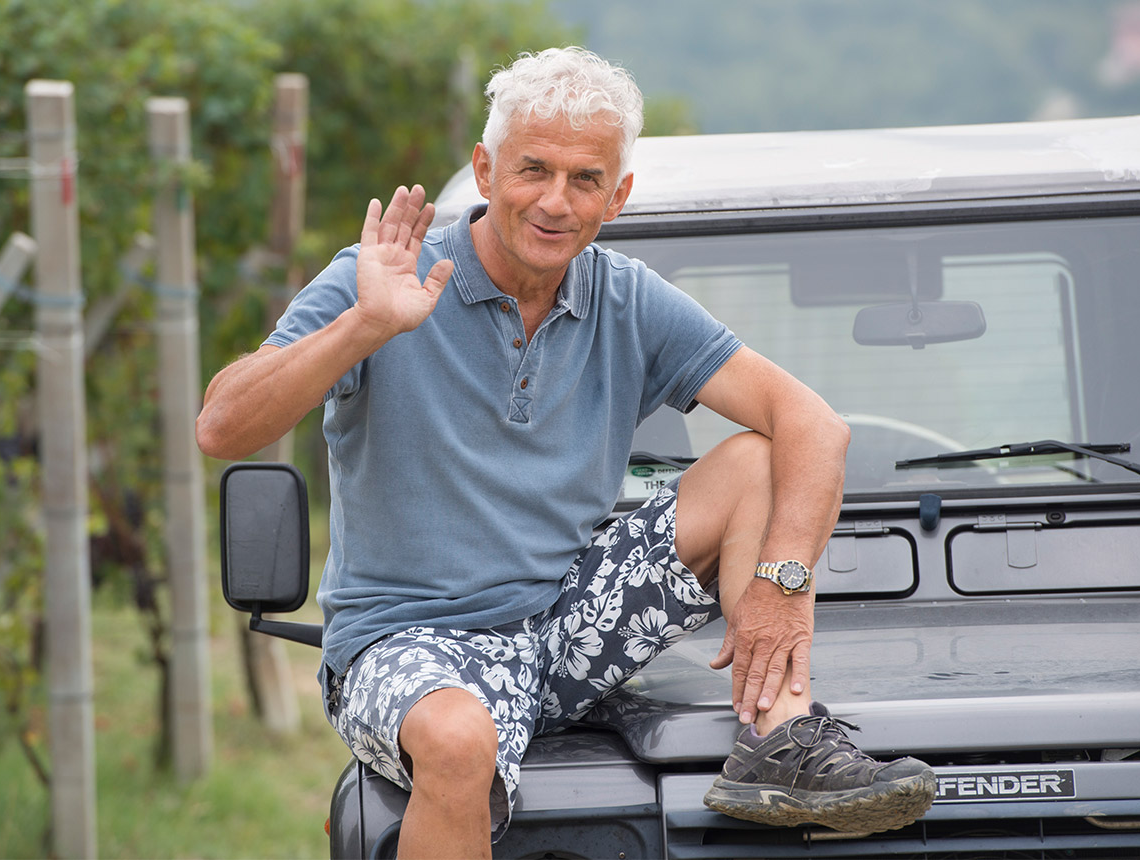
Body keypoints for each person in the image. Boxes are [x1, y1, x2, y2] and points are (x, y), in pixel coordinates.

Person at [197, 46, 936, 858]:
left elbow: (815, 425)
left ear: (617, 195)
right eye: (533, 170)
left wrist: (782, 584)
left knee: (761, 455)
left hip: (564, 622)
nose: (556, 201)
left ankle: (779, 738)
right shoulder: (382, 280)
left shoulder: (628, 298)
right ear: (486, 171)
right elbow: (221, 427)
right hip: (407, 639)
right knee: (457, 741)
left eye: (585, 179)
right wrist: (364, 327)